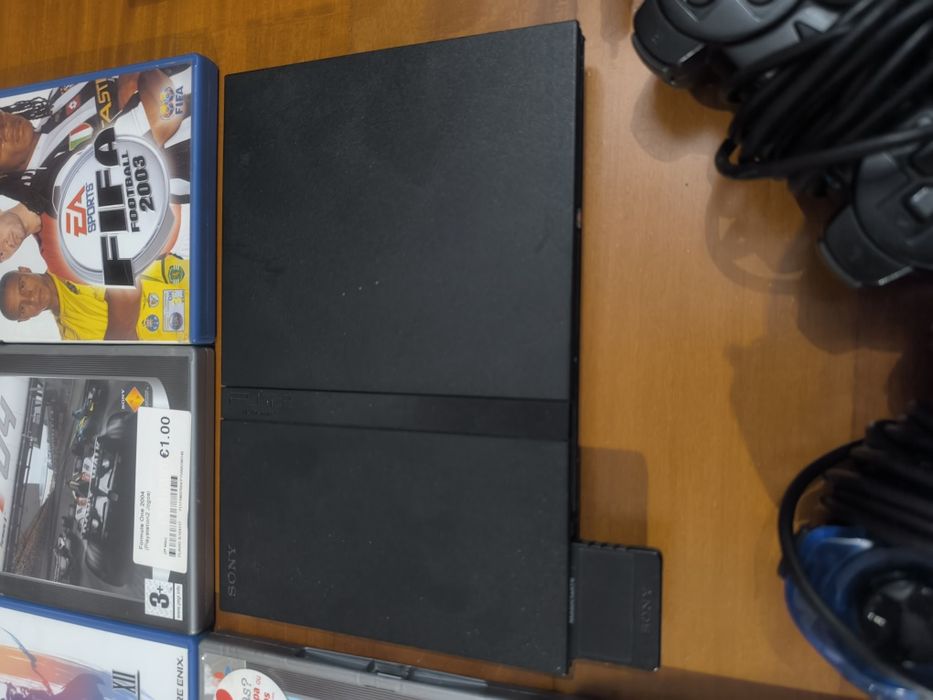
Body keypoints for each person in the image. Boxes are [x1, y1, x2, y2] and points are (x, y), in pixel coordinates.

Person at [0, 65, 192, 276]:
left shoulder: (58, 96)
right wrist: (136, 72)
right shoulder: (62, 185)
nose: (4, 128)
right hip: (208, 140)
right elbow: (164, 112)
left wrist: (132, 75)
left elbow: (120, 56)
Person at [0, 264, 141, 340]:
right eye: (22, 308)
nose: (30, 299)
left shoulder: (68, 262)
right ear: (25, 318)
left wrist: (114, 348)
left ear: (25, 270)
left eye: (22, 286)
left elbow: (126, 290)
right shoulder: (70, 339)